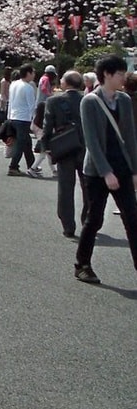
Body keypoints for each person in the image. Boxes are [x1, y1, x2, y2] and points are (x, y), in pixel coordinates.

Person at [73, 55, 137, 285]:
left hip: (121, 165)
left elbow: (130, 137)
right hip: (97, 170)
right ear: (107, 75)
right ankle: (82, 264)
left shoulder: (124, 100)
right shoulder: (89, 101)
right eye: (119, 73)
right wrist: (105, 171)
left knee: (133, 218)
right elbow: (91, 141)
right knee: (94, 218)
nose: (123, 77)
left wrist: (134, 170)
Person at [43, 71, 88, 240]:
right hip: (85, 147)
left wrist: (45, 145)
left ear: (65, 83)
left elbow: (48, 125)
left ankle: (68, 225)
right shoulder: (88, 99)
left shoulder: (54, 101)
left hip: (64, 147)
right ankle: (88, 221)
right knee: (88, 186)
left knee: (65, 187)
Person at [5, 64, 38, 176]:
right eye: (33, 73)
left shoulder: (13, 84)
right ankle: (13, 166)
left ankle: (32, 165)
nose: (34, 75)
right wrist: (34, 120)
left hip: (13, 117)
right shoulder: (28, 87)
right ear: (28, 73)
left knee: (26, 143)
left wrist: (8, 116)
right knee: (21, 143)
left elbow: (10, 101)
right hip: (23, 118)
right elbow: (31, 106)